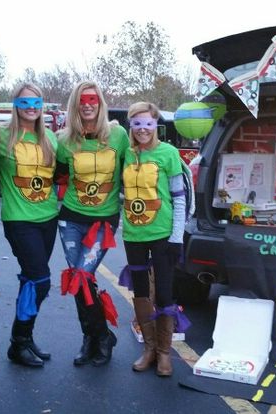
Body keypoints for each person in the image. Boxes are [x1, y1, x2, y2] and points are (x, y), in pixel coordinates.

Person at [55, 81, 129, 366]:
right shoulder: (64, 141)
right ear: (75, 105)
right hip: (71, 218)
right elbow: (57, 176)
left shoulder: (119, 135)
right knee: (78, 278)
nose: (87, 104)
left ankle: (99, 336)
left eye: (93, 99)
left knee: (84, 276)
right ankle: (94, 337)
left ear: (100, 103)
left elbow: (132, 171)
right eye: (82, 100)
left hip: (104, 220)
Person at [120, 102, 188, 377]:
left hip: (162, 235)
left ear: (156, 125)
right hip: (133, 234)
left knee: (165, 292)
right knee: (140, 294)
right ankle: (148, 349)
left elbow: (180, 199)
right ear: (131, 127)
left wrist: (176, 237)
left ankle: (164, 353)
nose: (143, 129)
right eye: (137, 124)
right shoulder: (126, 153)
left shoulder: (169, 154)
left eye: (147, 123)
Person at [0, 83, 58, 367]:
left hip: (48, 219)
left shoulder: (50, 140)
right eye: (24, 102)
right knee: (41, 280)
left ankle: (24, 340)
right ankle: (18, 341)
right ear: (15, 105)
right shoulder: (2, 136)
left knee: (31, 280)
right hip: (19, 220)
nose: (31, 107)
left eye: (36, 102)